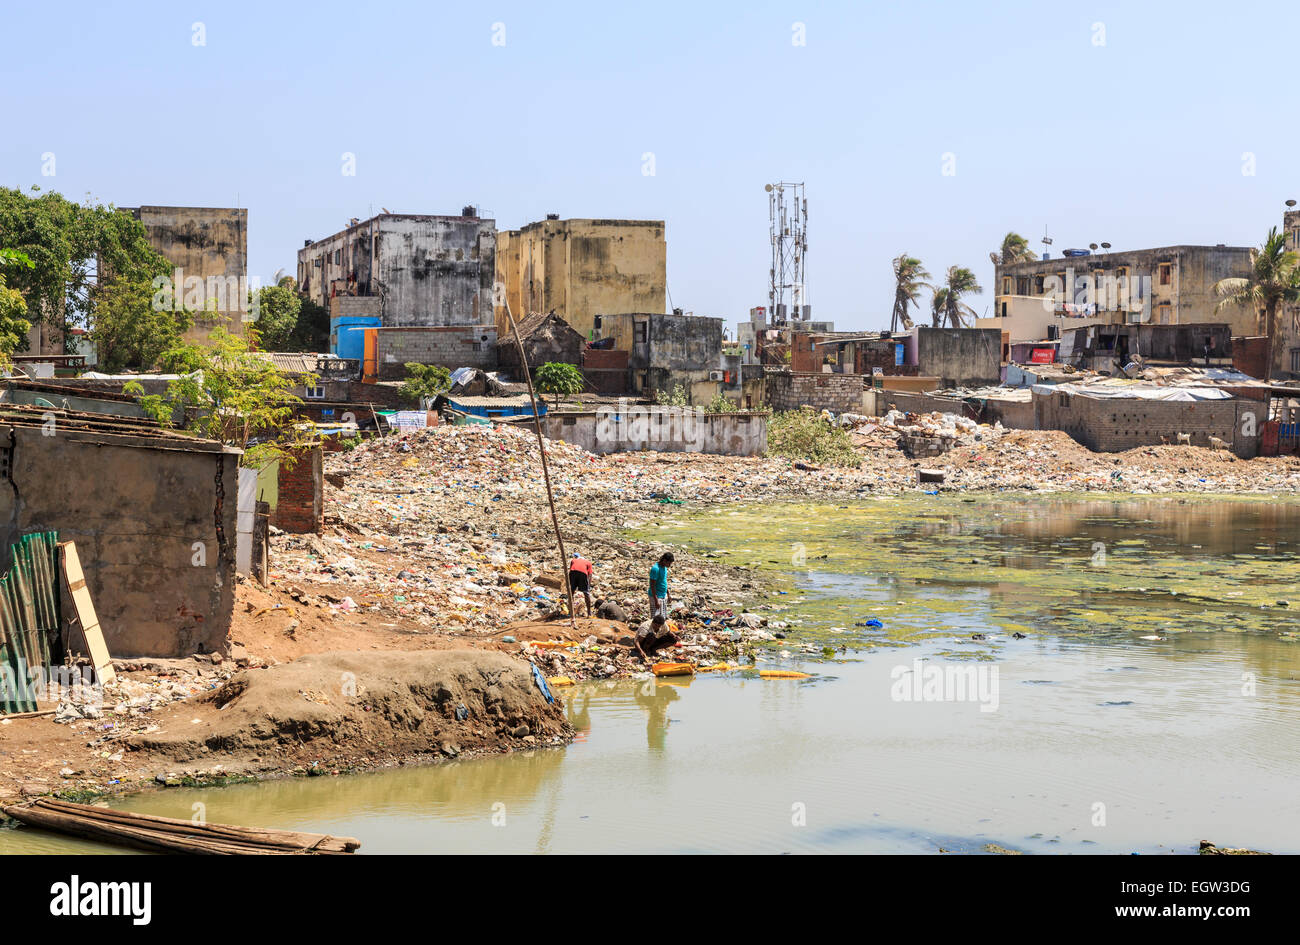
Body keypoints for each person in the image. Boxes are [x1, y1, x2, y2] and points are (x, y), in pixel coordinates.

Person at [647, 552, 673, 622]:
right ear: (664, 560)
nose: (669, 565)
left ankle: (661, 631)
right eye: (669, 563)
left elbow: (664, 582)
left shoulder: (664, 568)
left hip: (663, 595)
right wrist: (656, 600)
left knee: (662, 616)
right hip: (655, 596)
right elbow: (652, 586)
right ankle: (652, 632)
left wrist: (668, 594)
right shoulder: (655, 569)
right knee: (655, 617)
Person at [568, 552, 594, 617]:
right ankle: (589, 613)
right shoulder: (588, 562)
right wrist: (588, 586)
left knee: (571, 592)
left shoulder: (573, 560)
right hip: (583, 574)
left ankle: (570, 612)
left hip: (573, 573)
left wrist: (569, 583)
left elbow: (570, 571)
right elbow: (590, 575)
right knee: (586, 593)